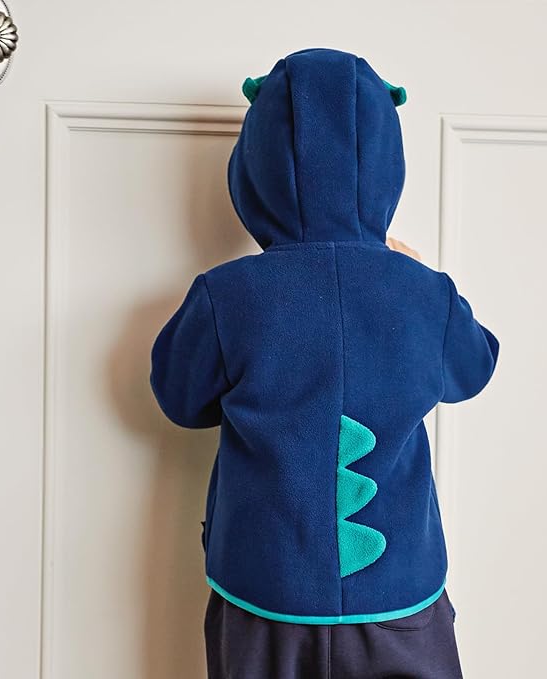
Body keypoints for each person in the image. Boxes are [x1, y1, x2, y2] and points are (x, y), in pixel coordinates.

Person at [150, 47, 499, 679]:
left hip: (262, 598)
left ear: (255, 169)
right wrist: (416, 272)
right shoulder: (423, 294)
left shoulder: (227, 294)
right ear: (386, 166)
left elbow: (179, 396)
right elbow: (474, 368)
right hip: (401, 598)